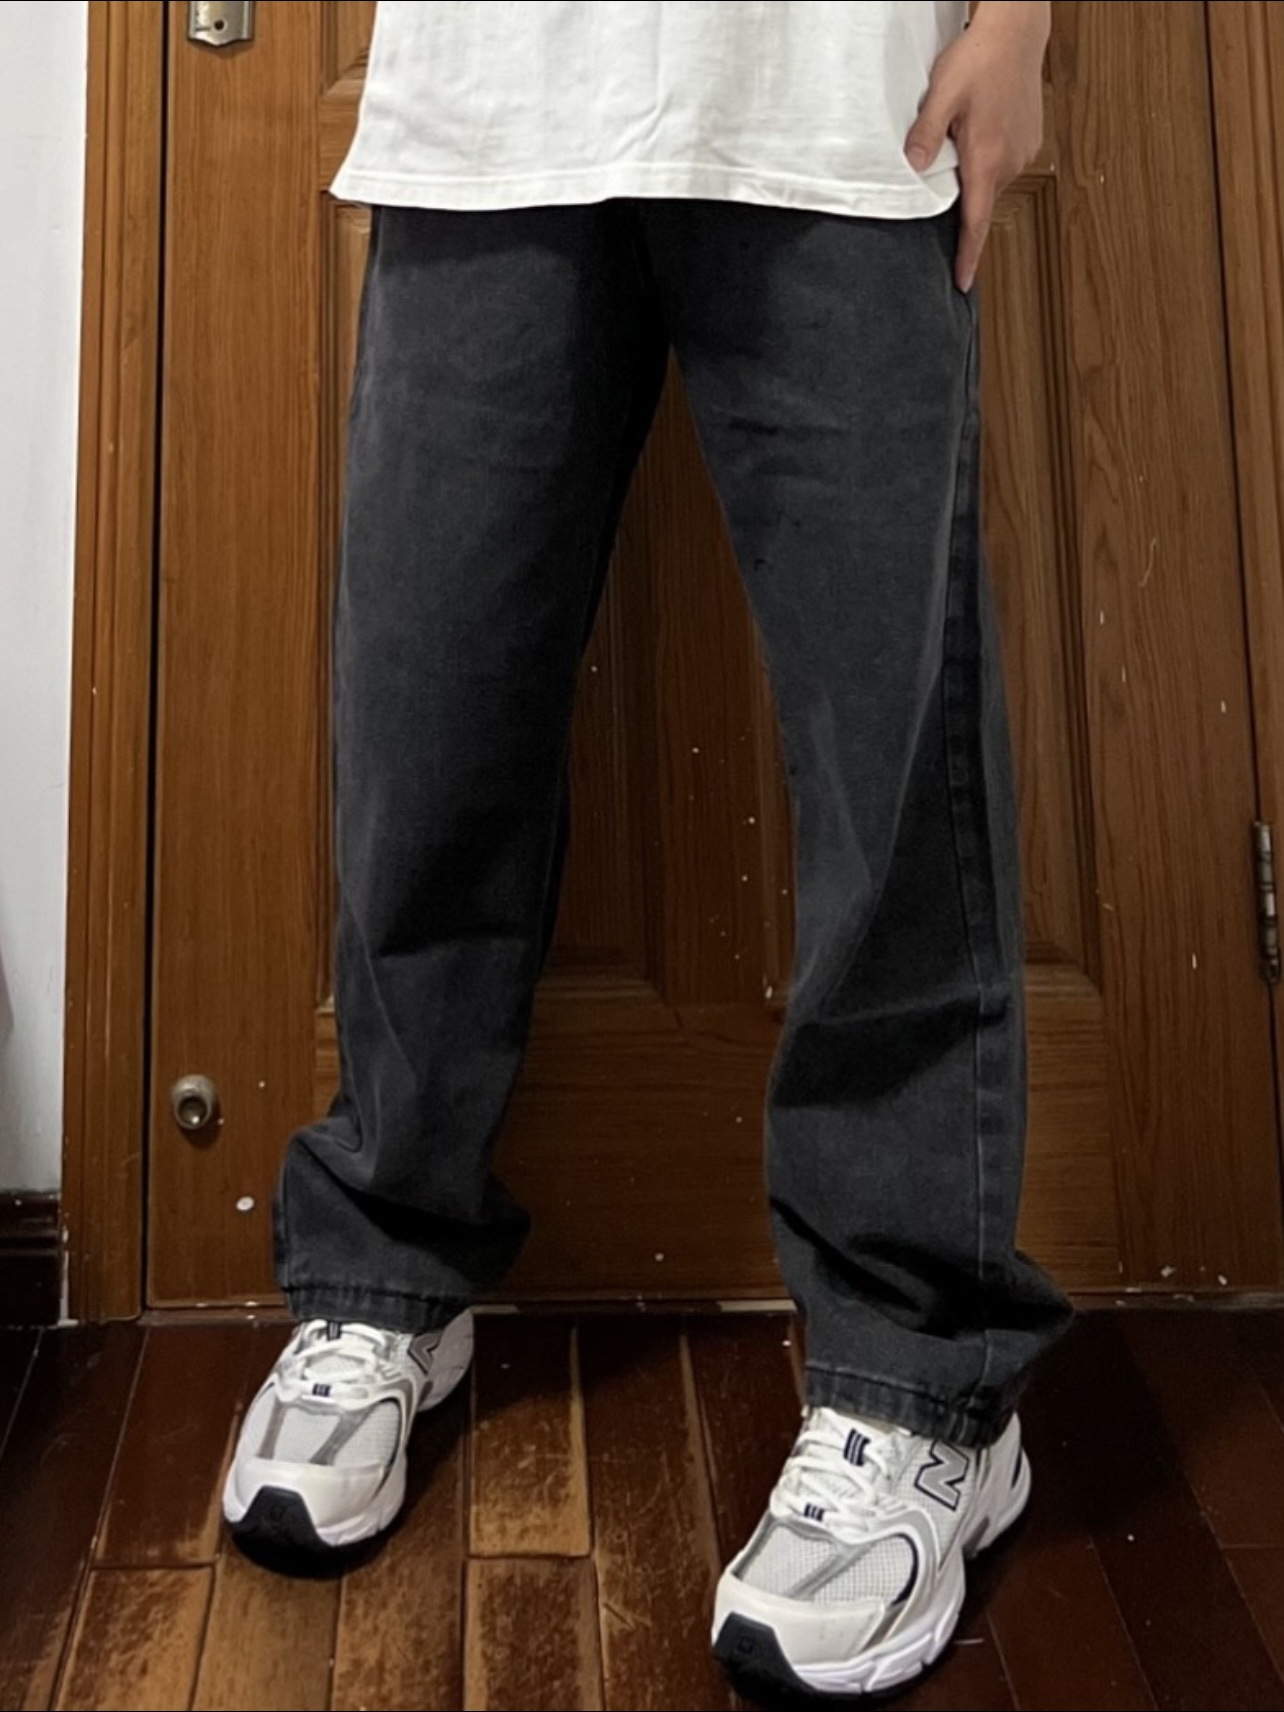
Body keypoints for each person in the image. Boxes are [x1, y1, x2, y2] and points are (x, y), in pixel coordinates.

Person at [224, 0, 1069, 1695]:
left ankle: (925, 1383)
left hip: (846, 107)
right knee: (426, 725)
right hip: (487, 109)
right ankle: (386, 1277)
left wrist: (1025, 25)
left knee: (892, 764)